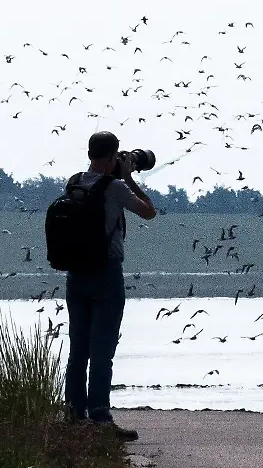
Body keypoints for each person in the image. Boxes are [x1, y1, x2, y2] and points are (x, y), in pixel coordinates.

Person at [64, 131, 156, 440]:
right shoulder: (115, 187)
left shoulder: (74, 182)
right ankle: (101, 419)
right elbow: (148, 211)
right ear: (113, 156)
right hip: (106, 275)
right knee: (102, 350)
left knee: (79, 349)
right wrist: (129, 177)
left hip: (75, 275)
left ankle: (74, 416)